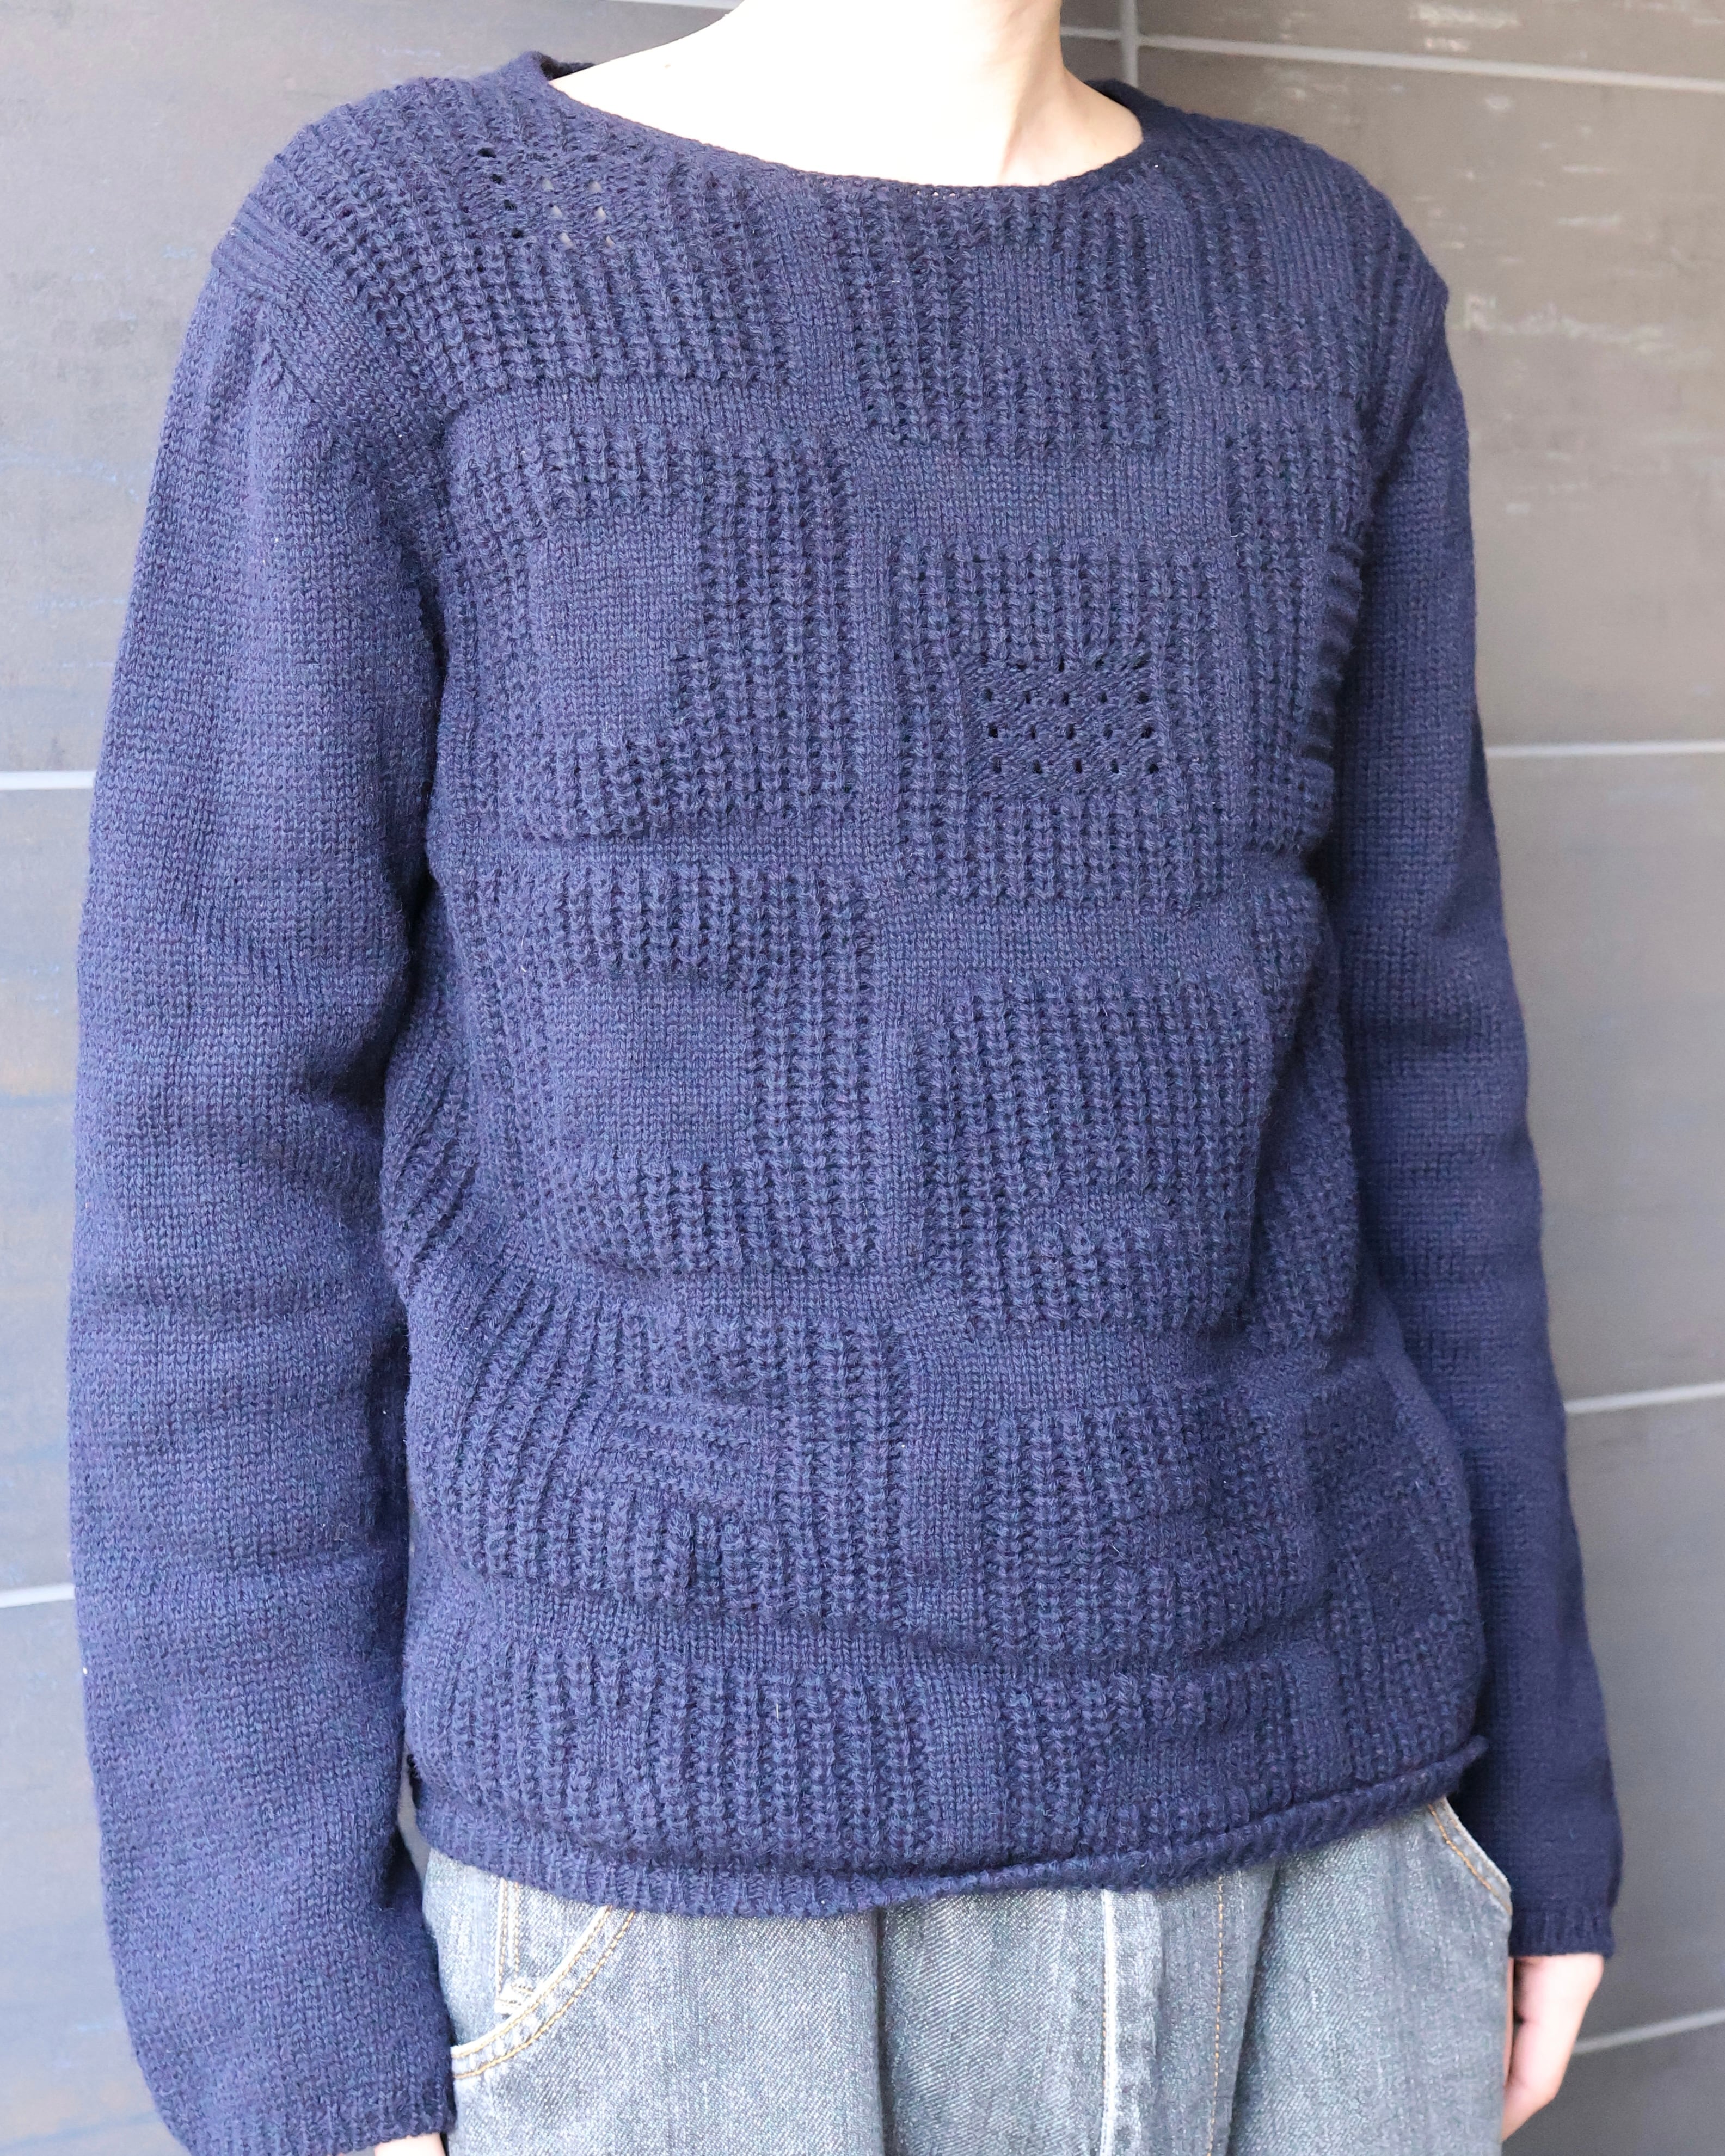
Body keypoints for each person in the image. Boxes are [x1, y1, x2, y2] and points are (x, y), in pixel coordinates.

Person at [65, 2, 1622, 2150]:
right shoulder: (406, 256)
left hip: (1335, 1847)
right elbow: (219, 1151)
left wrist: (1540, 1794)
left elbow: (1431, 1070)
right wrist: (279, 2017)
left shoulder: (1321, 277)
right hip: (676, 1930)